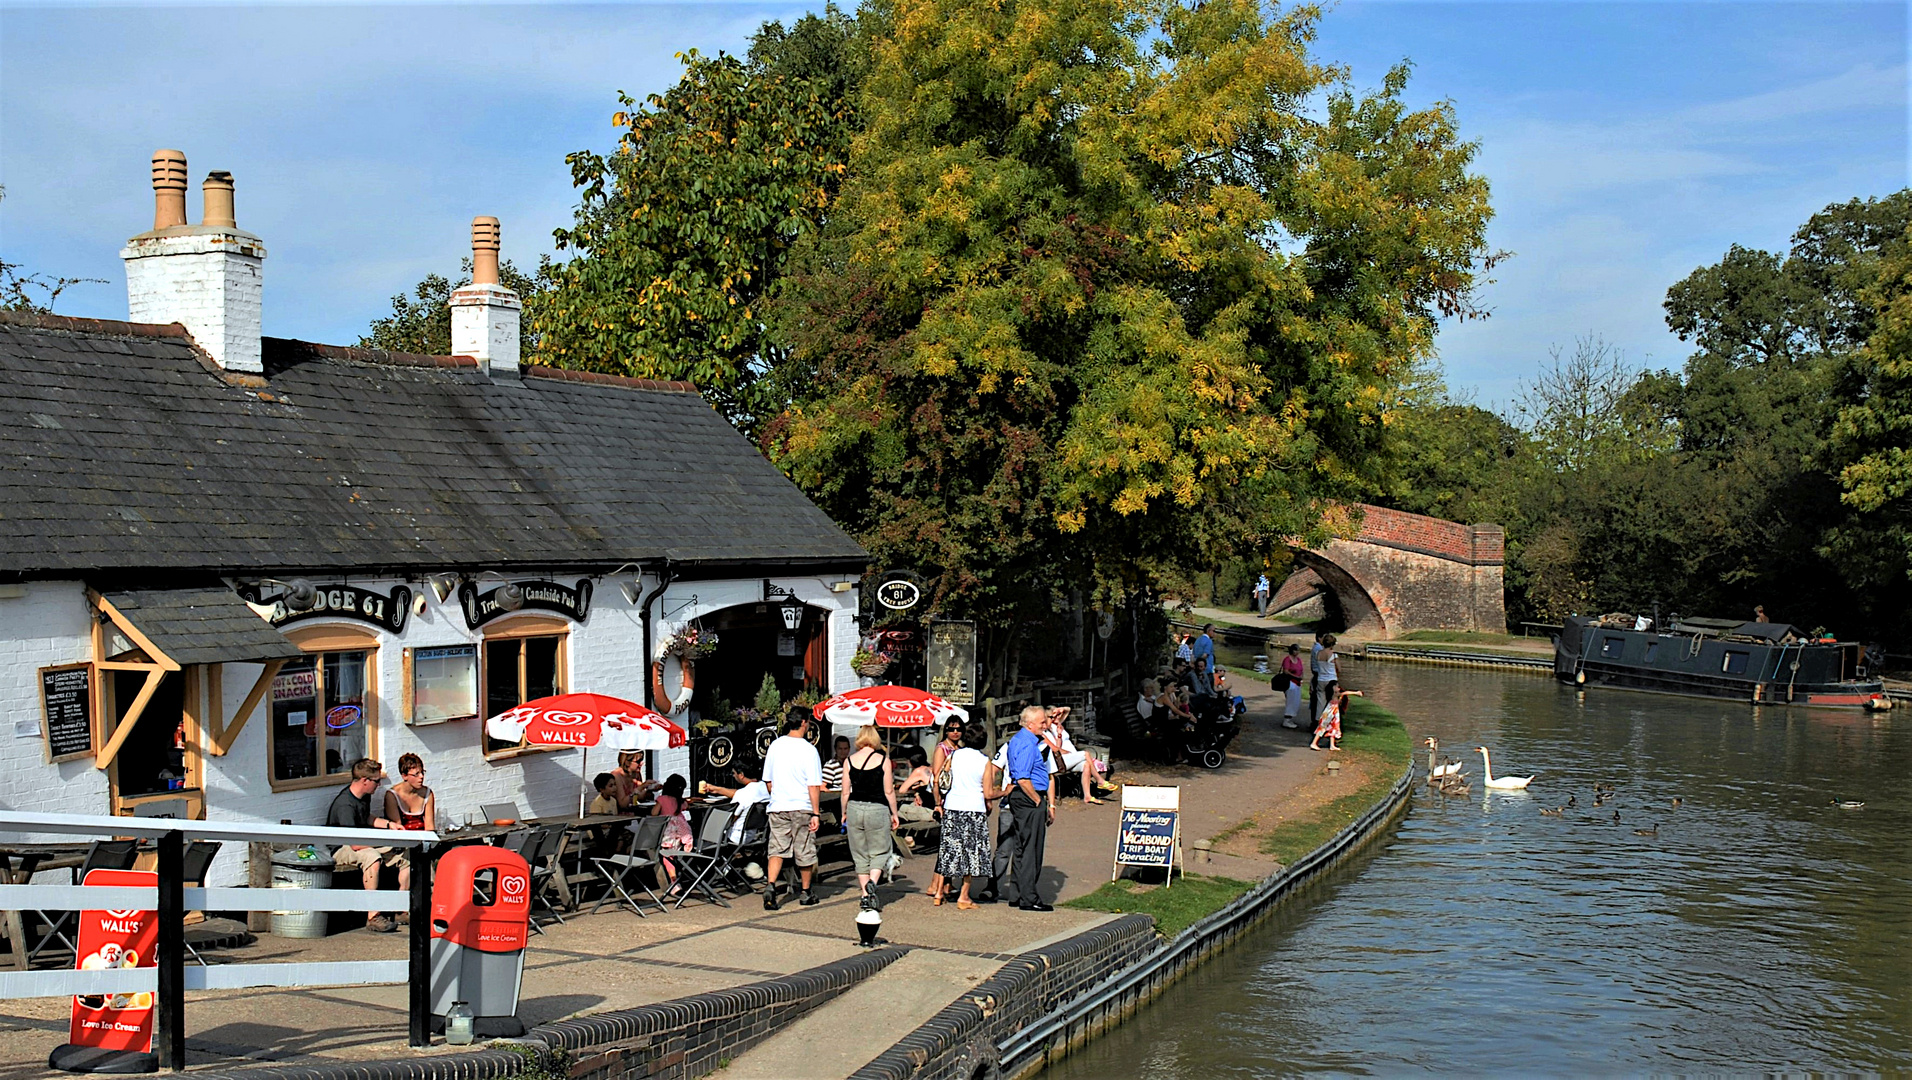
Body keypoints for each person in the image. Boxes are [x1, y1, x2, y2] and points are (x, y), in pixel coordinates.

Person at [325, 758, 406, 933]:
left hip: (361, 841)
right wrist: (381, 841)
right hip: (341, 847)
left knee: (405, 855)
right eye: (376, 781)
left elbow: (366, 817)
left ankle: (401, 908)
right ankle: (373, 915)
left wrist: (389, 825)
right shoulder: (345, 804)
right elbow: (354, 843)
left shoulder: (364, 796)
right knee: (372, 857)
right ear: (364, 781)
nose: (378, 785)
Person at [760, 713, 823, 909]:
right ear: (803, 722)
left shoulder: (775, 746)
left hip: (779, 805)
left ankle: (770, 885)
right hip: (801, 805)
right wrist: (815, 812)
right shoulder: (809, 750)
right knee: (803, 848)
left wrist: (778, 794)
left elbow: (768, 781)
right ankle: (805, 891)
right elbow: (813, 785)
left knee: (777, 848)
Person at [932, 720, 997, 909]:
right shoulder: (984, 761)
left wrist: (938, 802)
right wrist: (1004, 792)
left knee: (949, 850)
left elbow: (939, 779)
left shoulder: (954, 755)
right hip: (974, 808)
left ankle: (938, 892)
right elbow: (988, 793)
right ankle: (964, 895)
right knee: (972, 853)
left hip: (953, 805)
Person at [840, 726, 899, 911]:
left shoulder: (849, 761)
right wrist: (894, 813)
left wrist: (844, 812)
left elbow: (844, 792)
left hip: (855, 808)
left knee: (859, 853)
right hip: (877, 808)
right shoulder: (884, 761)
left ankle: (865, 895)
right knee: (880, 850)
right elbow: (889, 791)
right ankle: (873, 882)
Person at [1002, 706, 1055, 911]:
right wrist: (1037, 800)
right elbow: (1023, 778)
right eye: (1042, 722)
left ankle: (1019, 893)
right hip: (1028, 797)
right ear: (1030, 724)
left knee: (1022, 847)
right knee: (1031, 848)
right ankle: (1029, 897)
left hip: (1025, 797)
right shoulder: (1025, 743)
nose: (1045, 725)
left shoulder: (1023, 741)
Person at [1039, 707, 1113, 805]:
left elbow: (1058, 745)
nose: (1053, 719)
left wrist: (1059, 735)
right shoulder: (1042, 733)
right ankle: (1100, 780)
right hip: (1056, 762)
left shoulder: (1052, 729)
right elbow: (1055, 749)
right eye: (1051, 718)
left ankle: (1088, 796)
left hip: (1064, 759)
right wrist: (1070, 753)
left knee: (1086, 764)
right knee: (1085, 754)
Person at [652, 774, 695, 898]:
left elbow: (654, 813)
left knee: (667, 857)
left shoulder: (662, 799)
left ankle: (673, 881)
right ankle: (676, 881)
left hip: (666, 835)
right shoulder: (679, 801)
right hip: (679, 836)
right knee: (672, 855)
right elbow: (687, 806)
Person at [704, 765, 769, 844]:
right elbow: (738, 793)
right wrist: (717, 789)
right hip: (754, 834)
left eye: (734, 773)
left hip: (736, 836)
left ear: (741, 775)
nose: (733, 776)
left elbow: (732, 817)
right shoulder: (764, 788)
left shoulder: (742, 794)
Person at [382, 753, 434, 832]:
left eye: (422, 772)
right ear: (404, 776)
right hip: (403, 840)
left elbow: (430, 826)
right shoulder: (392, 795)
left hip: (423, 839)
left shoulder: (427, 793)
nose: (421, 777)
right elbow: (397, 828)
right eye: (416, 774)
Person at [1309, 683, 1363, 752]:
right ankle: (1314, 743)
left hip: (1334, 712)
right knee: (1323, 727)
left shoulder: (1337, 696)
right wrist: (1356, 693)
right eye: (1336, 687)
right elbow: (1345, 693)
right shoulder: (1334, 695)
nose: (1339, 688)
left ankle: (1332, 745)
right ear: (1332, 689)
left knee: (1334, 727)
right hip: (1329, 712)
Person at [896, 748, 937, 822]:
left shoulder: (919, 771)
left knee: (896, 808)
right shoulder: (931, 767)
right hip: (934, 807)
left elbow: (902, 790)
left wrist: (914, 788)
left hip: (929, 811)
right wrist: (917, 793)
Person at [1279, 644, 1307, 729]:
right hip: (1290, 682)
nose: (1297, 652)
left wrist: (1301, 677)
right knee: (1291, 701)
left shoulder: (1298, 660)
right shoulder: (1287, 660)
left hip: (1297, 683)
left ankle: (1290, 718)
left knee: (1296, 701)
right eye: (1296, 650)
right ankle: (1287, 719)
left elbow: (1301, 670)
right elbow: (1286, 671)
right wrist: (1295, 676)